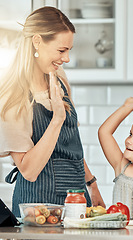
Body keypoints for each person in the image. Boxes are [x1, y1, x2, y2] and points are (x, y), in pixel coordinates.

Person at [0, 6, 105, 217]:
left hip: (76, 199)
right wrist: (57, 119)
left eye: (69, 50)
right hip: (38, 207)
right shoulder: (13, 97)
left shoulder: (59, 78)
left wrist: (91, 185)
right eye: (61, 50)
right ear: (37, 41)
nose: (66, 58)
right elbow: (28, 170)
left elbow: (71, 144)